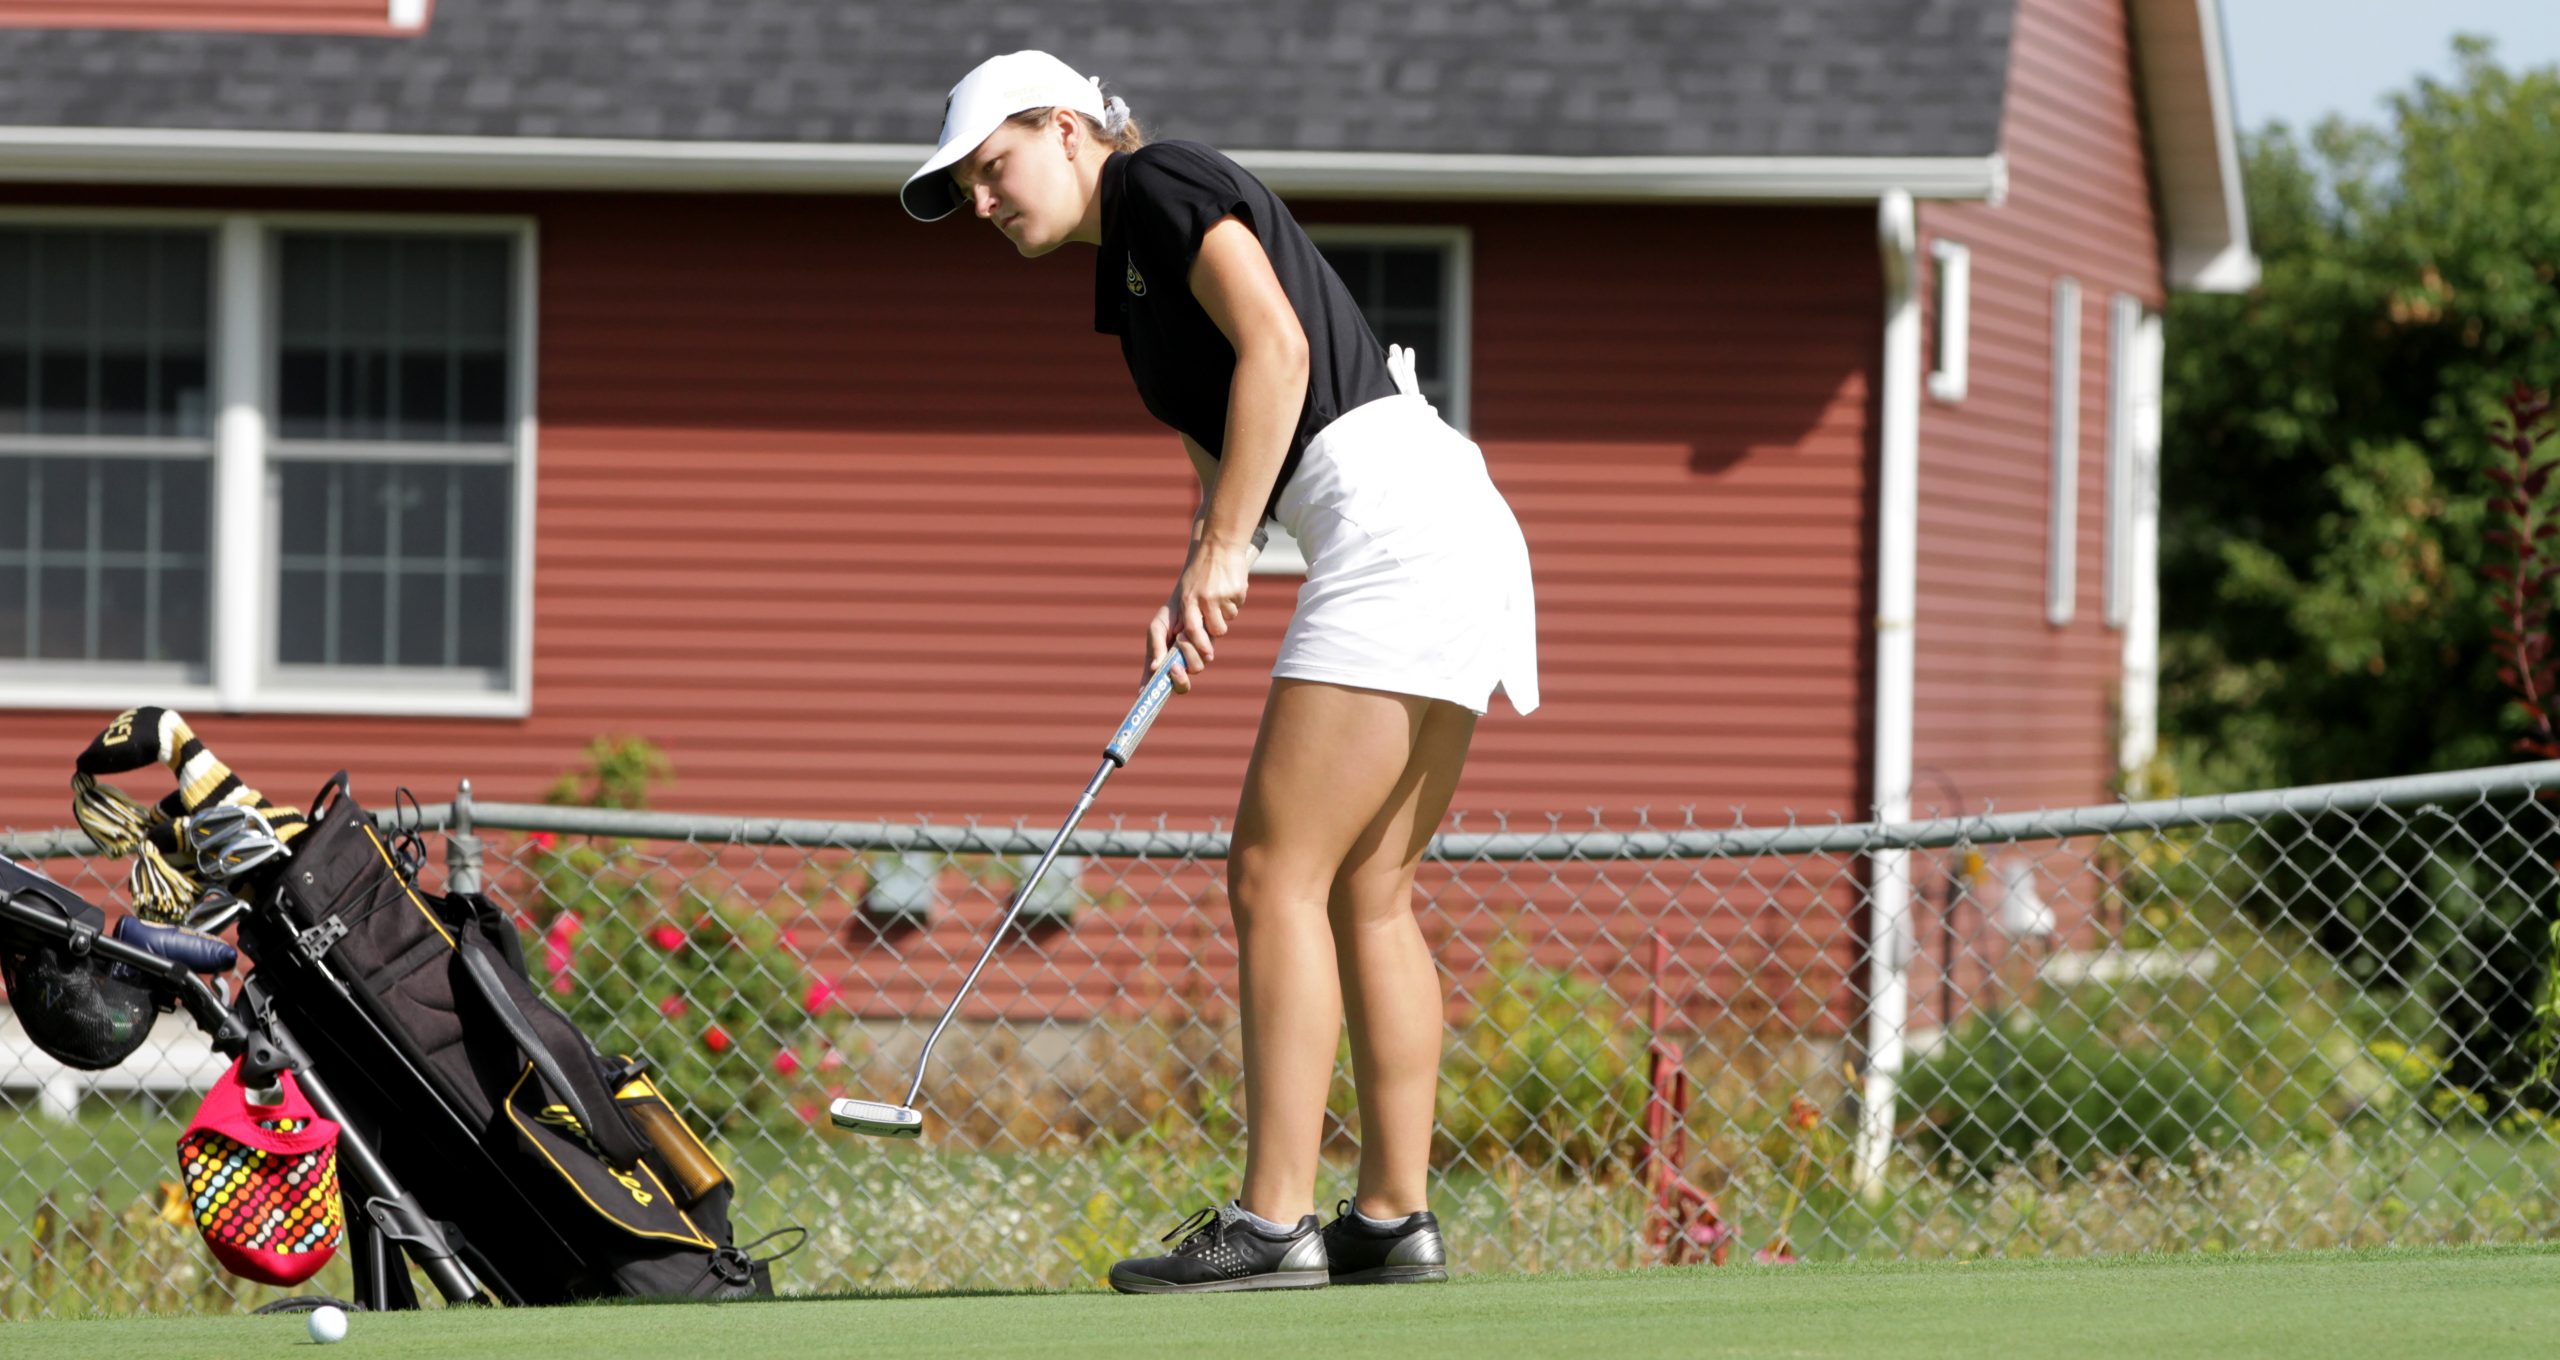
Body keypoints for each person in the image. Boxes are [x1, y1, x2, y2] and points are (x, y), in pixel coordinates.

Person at [901, 50, 1537, 1294]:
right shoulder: (1125, 290)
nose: (982, 204)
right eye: (967, 189)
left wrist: (1235, 546)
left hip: (1395, 516)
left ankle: (1273, 1222)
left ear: (1067, 128)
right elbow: (1225, 455)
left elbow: (1280, 352)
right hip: (1430, 520)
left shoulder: (1162, 181)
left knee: (1271, 872)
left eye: (993, 168)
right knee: (1368, 888)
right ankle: (1392, 1221)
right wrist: (1195, 573)